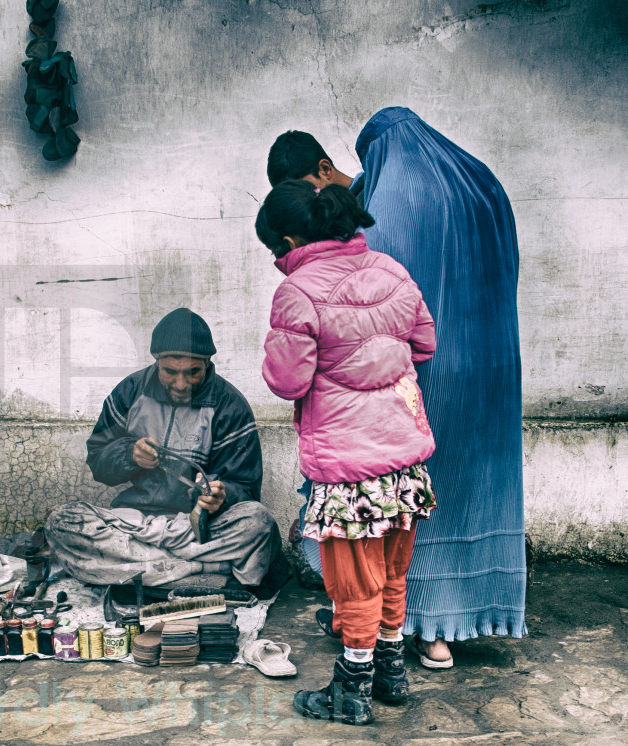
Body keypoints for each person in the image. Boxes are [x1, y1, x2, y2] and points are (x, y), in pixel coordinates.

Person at [268, 109, 527, 668]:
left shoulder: (381, 207)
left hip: (408, 389)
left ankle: (395, 642)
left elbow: (337, 338)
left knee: (380, 531)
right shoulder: (482, 186)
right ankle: (452, 626)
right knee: (457, 498)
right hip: (492, 370)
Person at [257, 180, 438, 725]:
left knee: (353, 585)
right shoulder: (391, 269)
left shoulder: (298, 292)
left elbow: (287, 381)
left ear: (289, 239)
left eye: (275, 251)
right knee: (390, 574)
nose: (276, 261)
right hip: (404, 460)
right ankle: (392, 673)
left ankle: (351, 692)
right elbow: (424, 343)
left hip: (348, 466)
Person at [44, 308, 290, 597]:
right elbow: (98, 461)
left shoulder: (229, 405)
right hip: (137, 523)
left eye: (193, 372)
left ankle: (139, 572)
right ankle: (203, 573)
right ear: (156, 361)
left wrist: (221, 497)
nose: (181, 383)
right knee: (63, 522)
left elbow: (245, 488)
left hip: (197, 530)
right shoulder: (130, 392)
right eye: (170, 372)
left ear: (207, 363)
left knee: (258, 523)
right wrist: (129, 455)